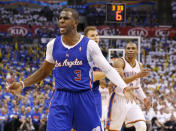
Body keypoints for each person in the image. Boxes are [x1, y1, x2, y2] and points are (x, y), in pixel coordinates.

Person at [8, 8, 138, 131]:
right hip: (61, 97)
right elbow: (44, 71)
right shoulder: (52, 45)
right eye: (60, 18)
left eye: (66, 18)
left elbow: (108, 69)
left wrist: (124, 87)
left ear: (75, 23)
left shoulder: (90, 45)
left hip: (84, 96)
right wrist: (22, 83)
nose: (61, 21)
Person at [107, 42, 152, 131]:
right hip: (118, 98)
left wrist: (144, 98)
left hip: (131, 100)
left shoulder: (139, 65)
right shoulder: (119, 62)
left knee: (142, 126)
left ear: (137, 51)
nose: (130, 50)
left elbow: (137, 85)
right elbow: (120, 81)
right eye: (128, 48)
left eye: (132, 48)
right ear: (125, 50)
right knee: (113, 129)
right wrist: (136, 75)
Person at [84, 26, 108, 130]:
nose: (96, 37)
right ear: (86, 38)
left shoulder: (99, 55)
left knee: (97, 125)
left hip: (95, 92)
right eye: (92, 36)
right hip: (82, 92)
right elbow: (91, 76)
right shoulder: (81, 53)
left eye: (97, 35)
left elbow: (101, 81)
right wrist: (111, 71)